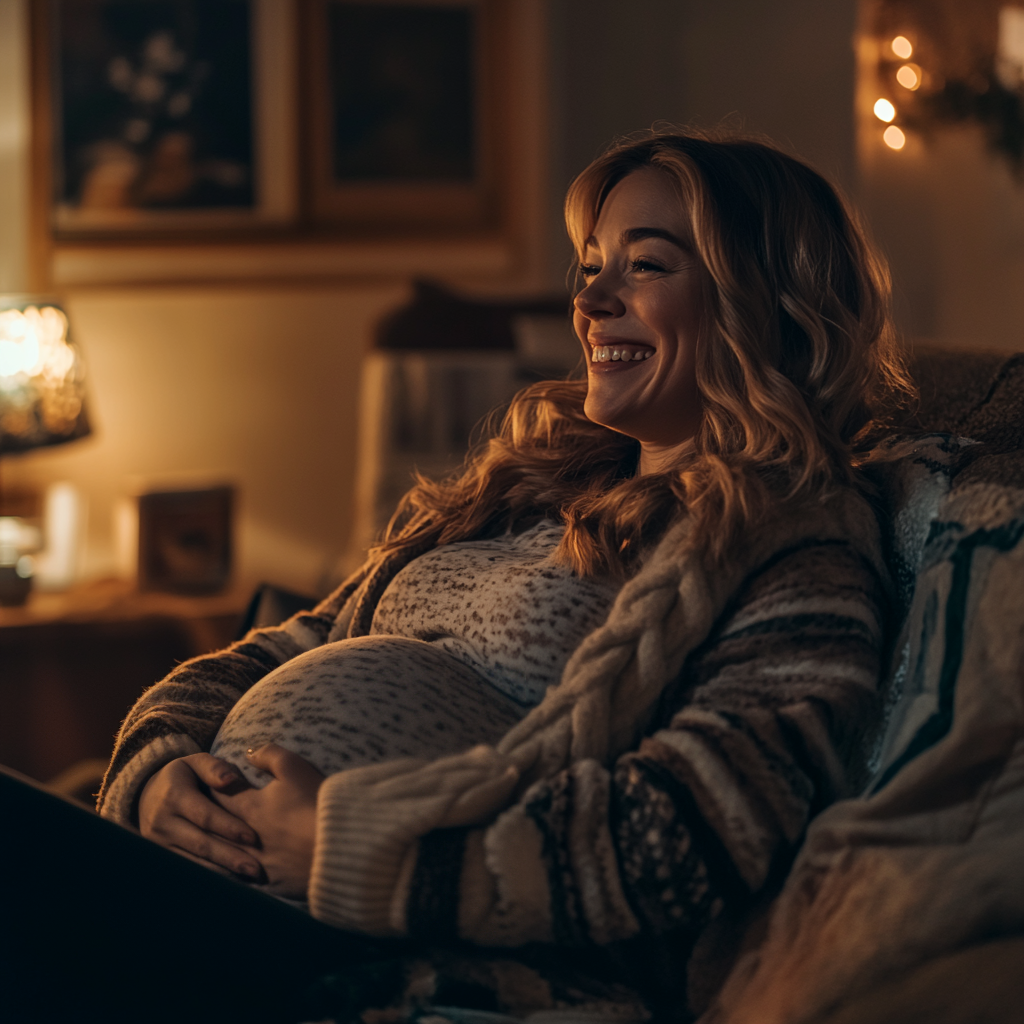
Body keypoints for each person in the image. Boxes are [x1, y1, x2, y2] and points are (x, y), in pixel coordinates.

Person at [94, 129, 909, 1019]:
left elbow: (704, 823)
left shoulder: (792, 539)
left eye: (645, 266)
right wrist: (157, 769)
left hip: (350, 942)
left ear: (766, 303)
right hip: (207, 880)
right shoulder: (522, 488)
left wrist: (357, 850)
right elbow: (283, 647)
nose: (591, 298)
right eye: (591, 265)